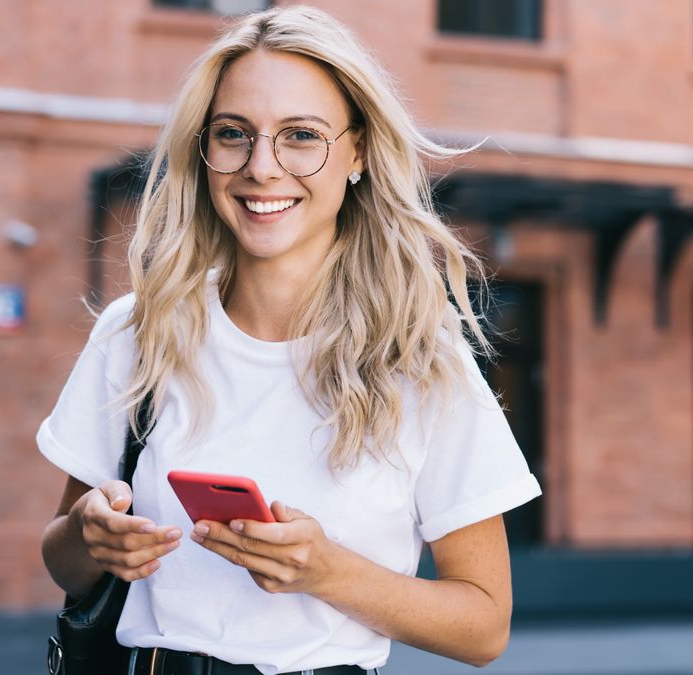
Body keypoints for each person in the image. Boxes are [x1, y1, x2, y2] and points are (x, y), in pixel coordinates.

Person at [38, 6, 541, 675]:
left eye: (301, 135)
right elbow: (62, 559)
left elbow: (483, 626)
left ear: (357, 151)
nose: (262, 167)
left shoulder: (423, 362)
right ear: (205, 150)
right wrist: (89, 534)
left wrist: (330, 572)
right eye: (233, 134)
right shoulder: (136, 333)